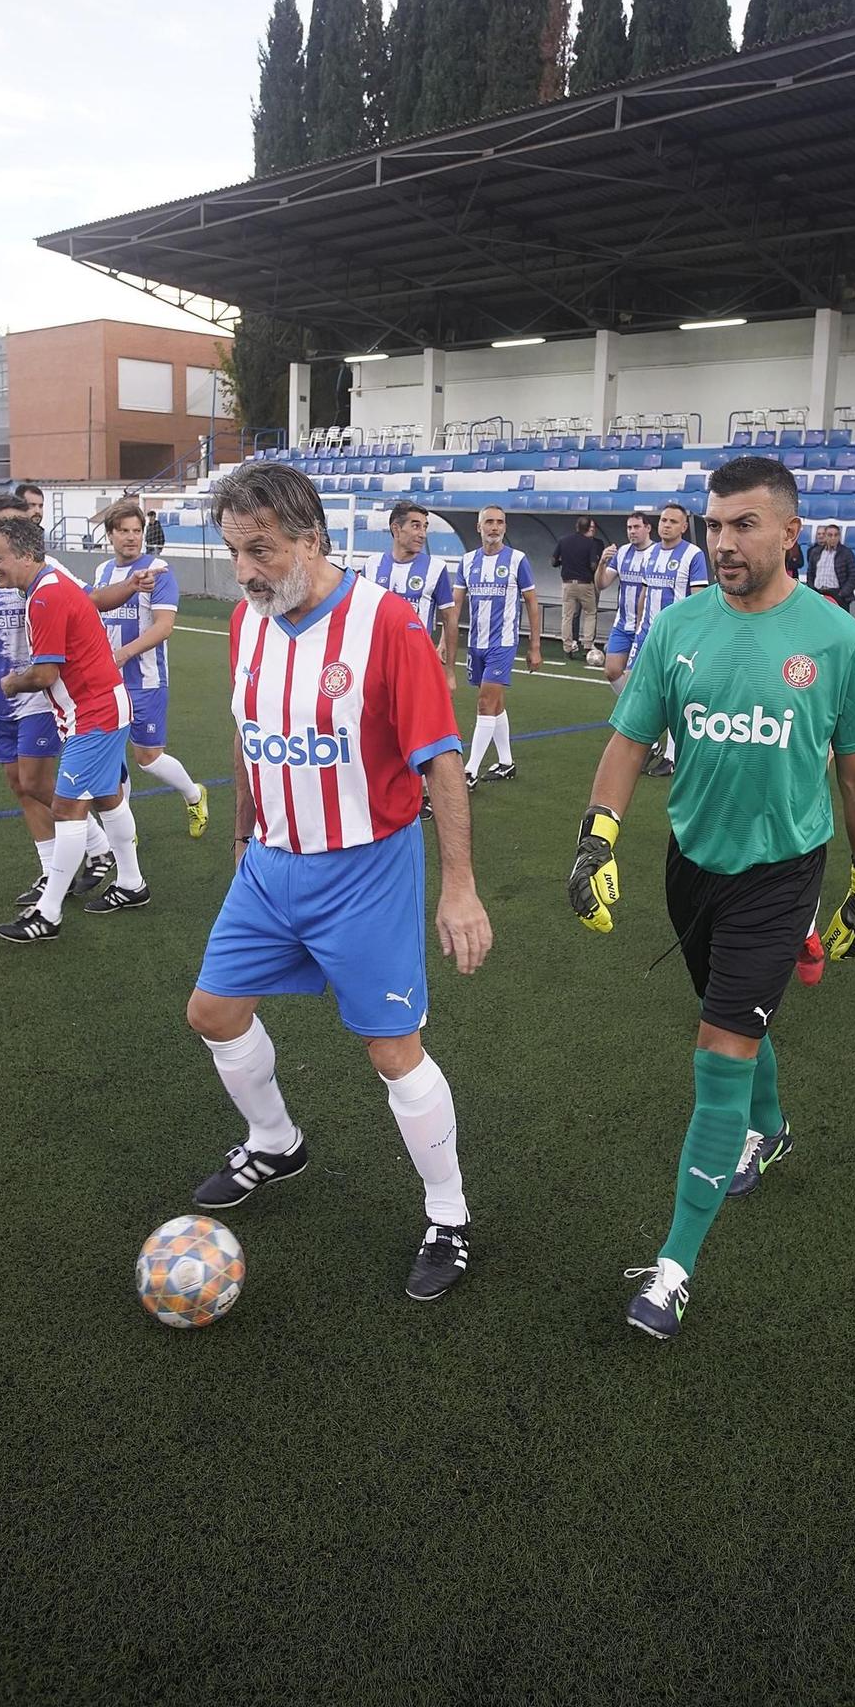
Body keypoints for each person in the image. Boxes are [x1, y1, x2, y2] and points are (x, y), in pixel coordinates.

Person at [567, 455, 855, 1341]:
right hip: (691, 863)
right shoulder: (677, 627)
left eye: (743, 524)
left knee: (716, 1054)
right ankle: (770, 1128)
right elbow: (630, 741)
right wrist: (597, 836)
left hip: (780, 873)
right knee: (730, 1016)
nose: (723, 542)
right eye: (714, 525)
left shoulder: (835, 640)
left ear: (789, 531)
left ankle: (672, 1268)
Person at [184, 464, 491, 1304]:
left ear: (311, 539)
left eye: (260, 550)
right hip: (269, 865)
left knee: (391, 1051)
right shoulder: (248, 622)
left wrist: (458, 886)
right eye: (232, 552)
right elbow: (248, 735)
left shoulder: (386, 624)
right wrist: (243, 836)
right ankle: (275, 1141)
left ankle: (448, 1213)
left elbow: (441, 761)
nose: (243, 572)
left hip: (365, 871)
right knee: (212, 1012)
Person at [0, 492, 141, 908]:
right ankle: (95, 871)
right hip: (10, 698)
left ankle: (52, 905)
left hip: (49, 697)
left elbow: (86, 605)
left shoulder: (47, 579)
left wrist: (128, 586)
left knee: (54, 792)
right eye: (12, 522)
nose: (27, 525)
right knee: (24, 785)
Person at [0, 515, 149, 941]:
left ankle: (48, 913)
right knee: (109, 799)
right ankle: (132, 883)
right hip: (104, 706)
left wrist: (12, 682)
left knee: (67, 810)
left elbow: (45, 674)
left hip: (94, 714)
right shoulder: (48, 586)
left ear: (25, 555)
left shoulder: (45, 596)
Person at [95, 500, 208, 837]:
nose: (131, 537)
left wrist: (123, 654)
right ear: (110, 534)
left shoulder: (158, 570)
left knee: (149, 758)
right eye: (124, 531)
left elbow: (164, 626)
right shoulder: (102, 572)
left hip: (146, 679)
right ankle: (124, 833)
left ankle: (194, 795)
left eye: (137, 531)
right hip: (107, 682)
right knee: (111, 758)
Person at [454, 505, 542, 787]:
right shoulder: (467, 561)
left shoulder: (517, 560)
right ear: (479, 527)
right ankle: (506, 762)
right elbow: (455, 605)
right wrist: (445, 641)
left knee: (484, 703)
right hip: (475, 643)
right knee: (495, 703)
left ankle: (469, 771)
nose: (494, 527)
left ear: (505, 527)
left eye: (500, 522)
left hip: (502, 644)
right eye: (489, 522)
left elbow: (532, 604)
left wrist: (535, 646)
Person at [628, 503, 710, 776]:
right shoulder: (650, 553)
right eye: (664, 520)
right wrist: (639, 626)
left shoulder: (693, 554)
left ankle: (672, 756)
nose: (666, 525)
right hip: (647, 633)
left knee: (674, 694)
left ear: (684, 527)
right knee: (637, 687)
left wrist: (694, 635)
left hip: (678, 636)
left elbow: (699, 599)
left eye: (673, 521)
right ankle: (651, 743)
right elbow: (645, 592)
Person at [364, 500, 458, 684]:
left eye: (425, 527)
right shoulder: (372, 565)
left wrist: (450, 672)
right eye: (416, 526)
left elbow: (450, 618)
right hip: (377, 659)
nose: (422, 534)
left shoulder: (436, 568)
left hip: (417, 660)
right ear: (396, 529)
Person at [596, 511, 656, 695]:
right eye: (629, 527)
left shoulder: (657, 553)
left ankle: (639, 709)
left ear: (648, 528)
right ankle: (629, 707)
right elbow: (602, 584)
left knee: (640, 677)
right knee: (612, 671)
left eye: (637, 527)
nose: (632, 531)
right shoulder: (622, 552)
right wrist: (602, 563)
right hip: (622, 625)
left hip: (646, 626)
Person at [551, 515, 606, 664]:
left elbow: (553, 561)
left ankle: (567, 648)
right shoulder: (591, 543)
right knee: (590, 613)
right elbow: (593, 565)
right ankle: (587, 646)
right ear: (589, 528)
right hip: (585, 584)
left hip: (567, 584)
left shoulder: (563, 540)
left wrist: (564, 563)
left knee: (567, 616)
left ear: (577, 527)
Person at [805, 523, 855, 612]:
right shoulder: (815, 552)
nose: (833, 538)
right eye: (830, 535)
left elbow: (854, 576)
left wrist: (842, 594)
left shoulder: (846, 553)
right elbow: (810, 573)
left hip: (838, 595)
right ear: (825, 536)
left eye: (836, 535)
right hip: (818, 594)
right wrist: (812, 591)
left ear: (839, 537)